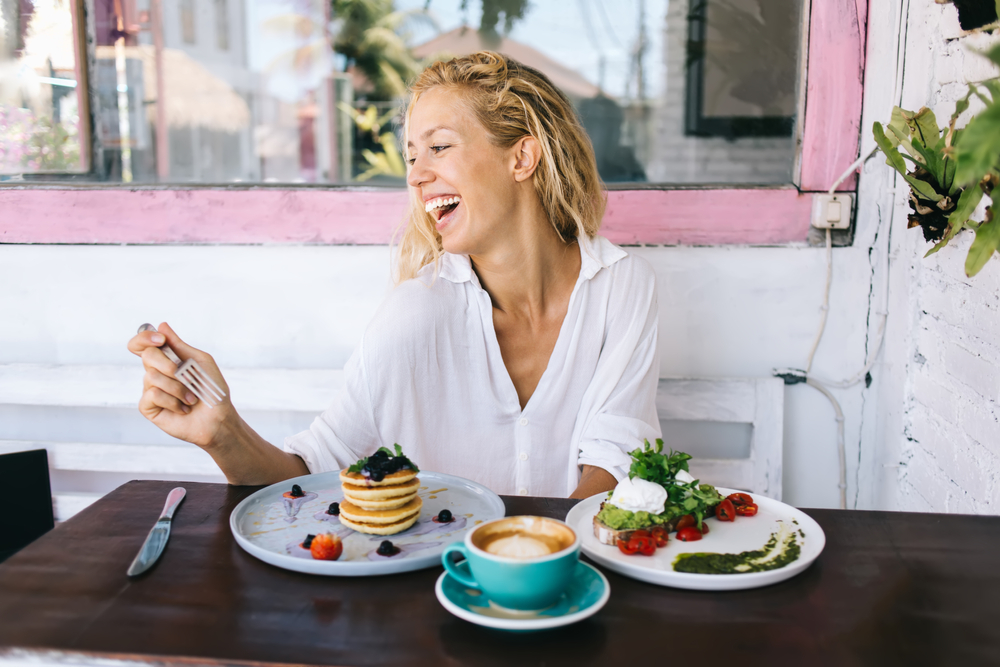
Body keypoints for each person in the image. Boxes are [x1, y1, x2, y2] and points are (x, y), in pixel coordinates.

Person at [128, 52, 660, 499]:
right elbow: (310, 474)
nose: (415, 174)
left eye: (439, 147)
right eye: (411, 155)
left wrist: (535, 561)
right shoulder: (415, 313)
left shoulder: (620, 287)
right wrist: (223, 433)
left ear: (521, 156)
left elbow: (615, 458)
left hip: (571, 583)